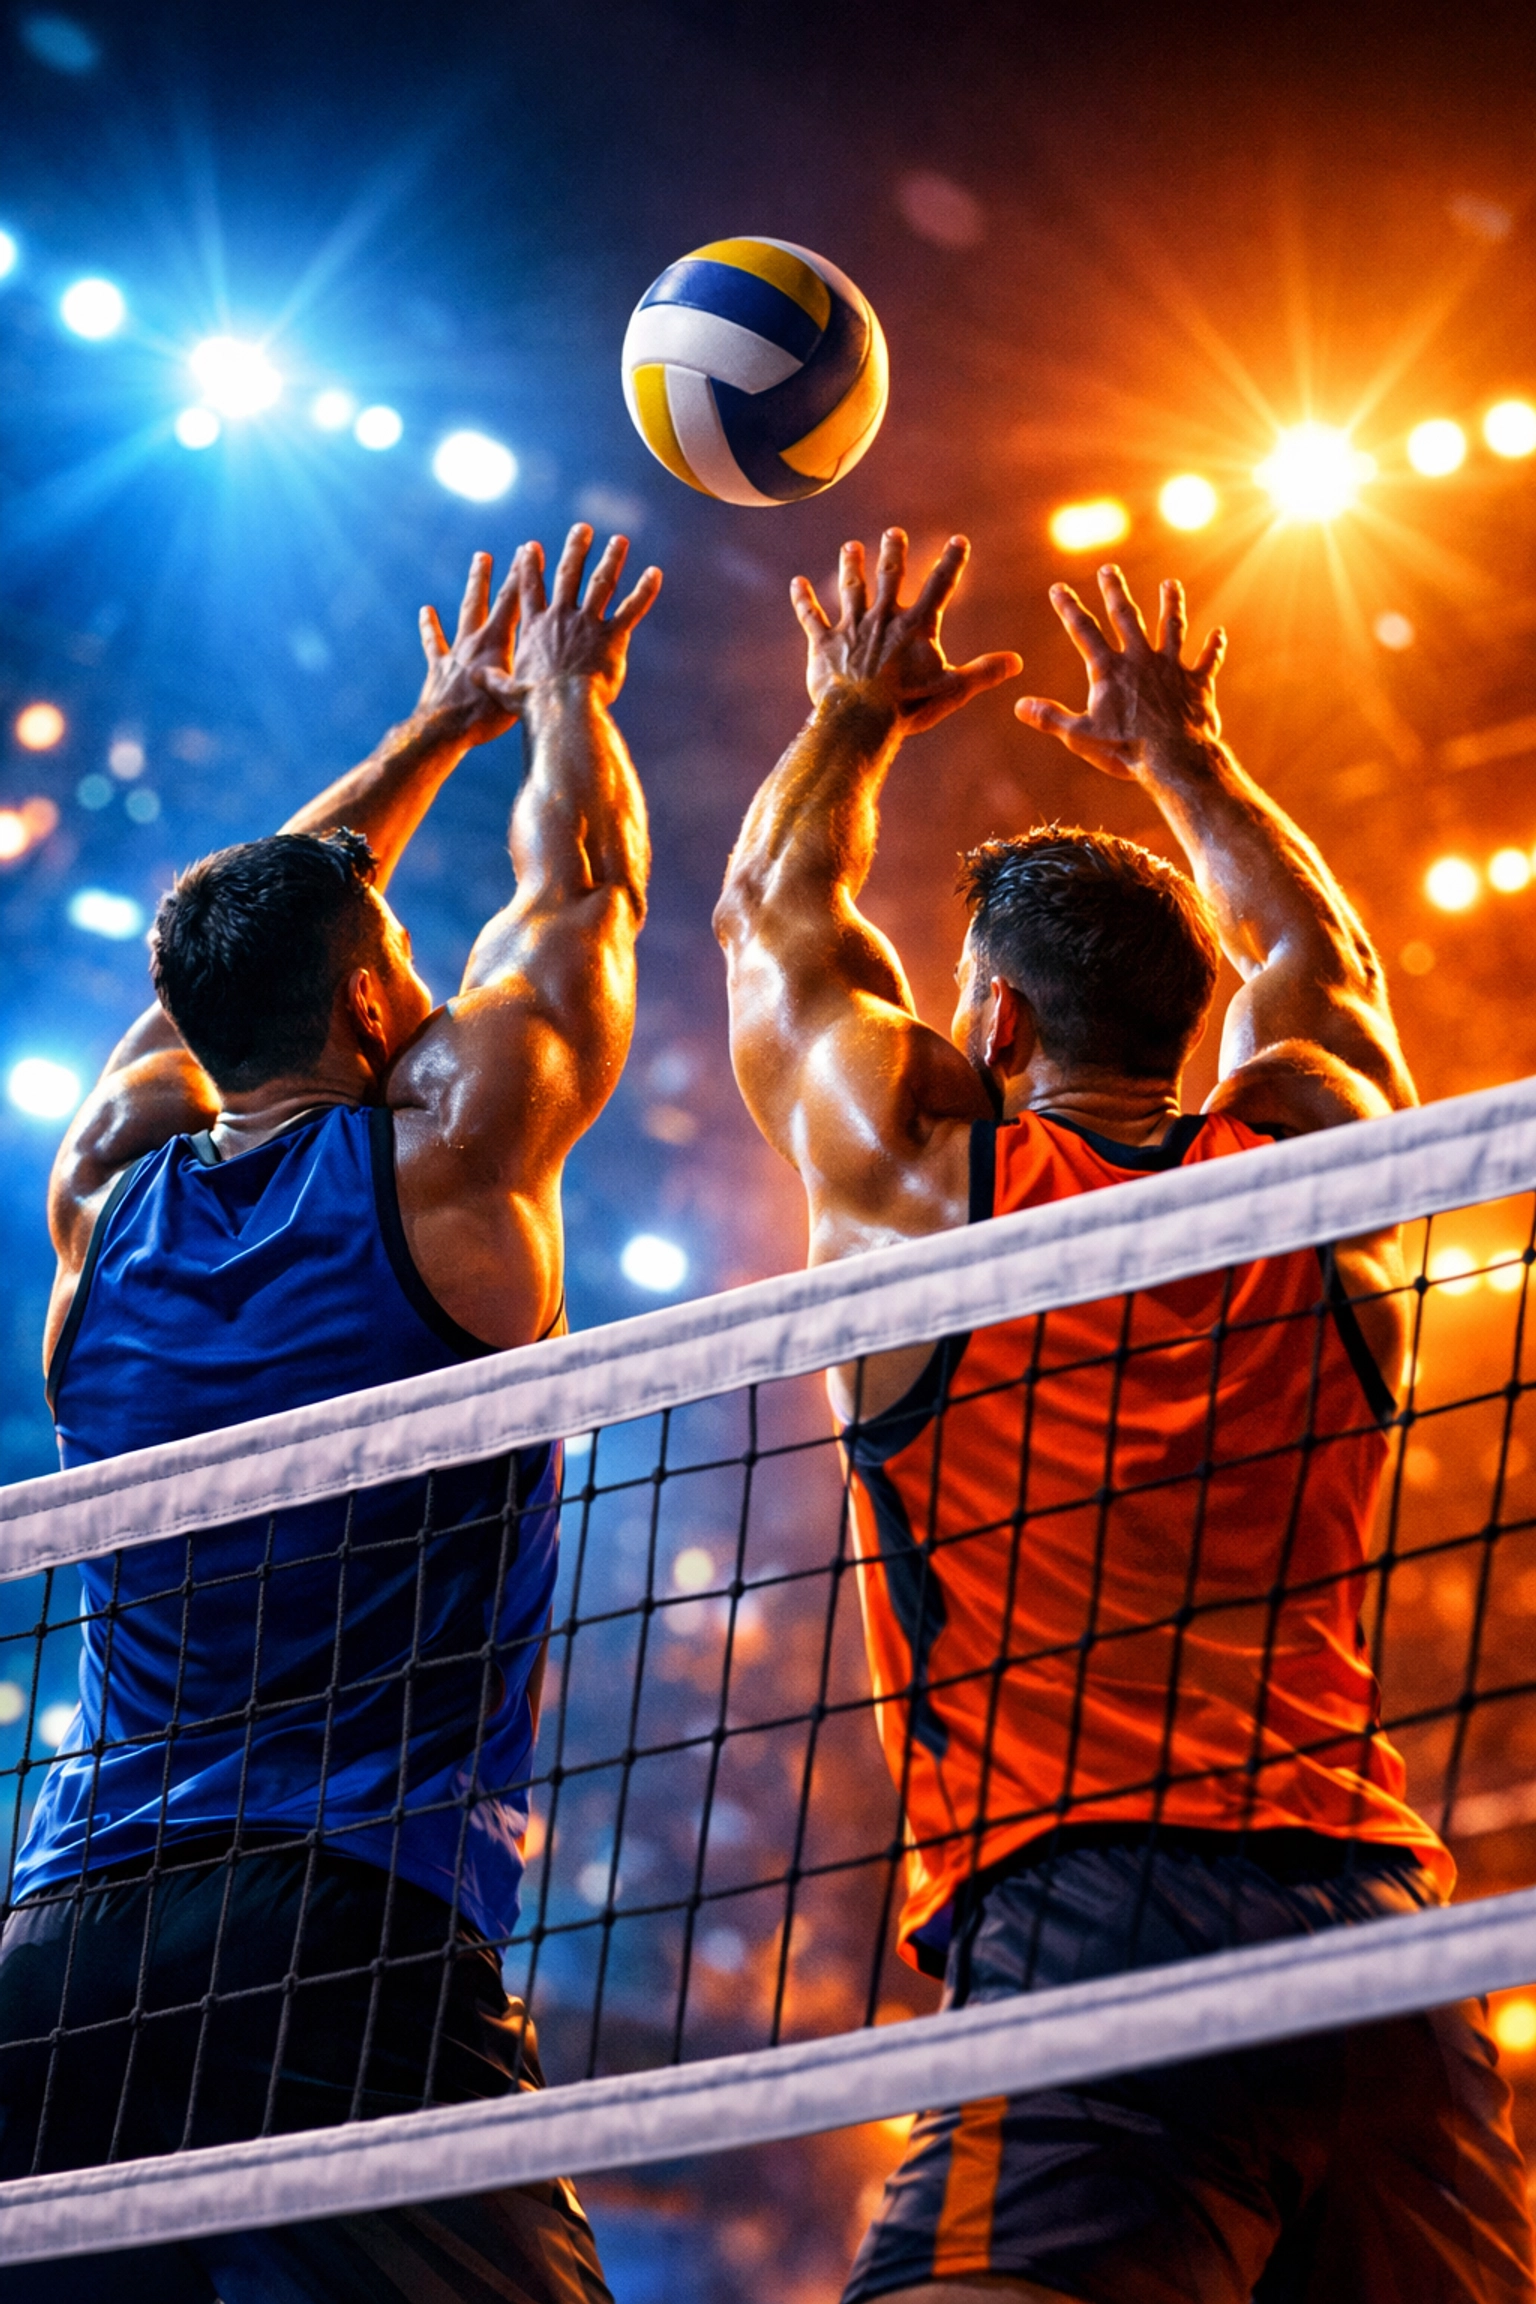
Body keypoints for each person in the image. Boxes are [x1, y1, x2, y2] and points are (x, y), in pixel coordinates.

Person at [714, 529, 1535, 2304]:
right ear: (1190, 1018)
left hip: (1096, 1905)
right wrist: (1190, 756)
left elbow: (770, 921)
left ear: (992, 1019)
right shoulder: (1315, 1156)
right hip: (1382, 1940)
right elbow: (1321, 951)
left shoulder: (933, 1199)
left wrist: (853, 712)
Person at [0, 523, 658, 2304]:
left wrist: (420, 730)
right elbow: (584, 890)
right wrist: (555, 705)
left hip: (59, 1948)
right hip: (342, 1927)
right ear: (378, 997)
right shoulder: (450, 1157)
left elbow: (231, 942)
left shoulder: (98, 1190)